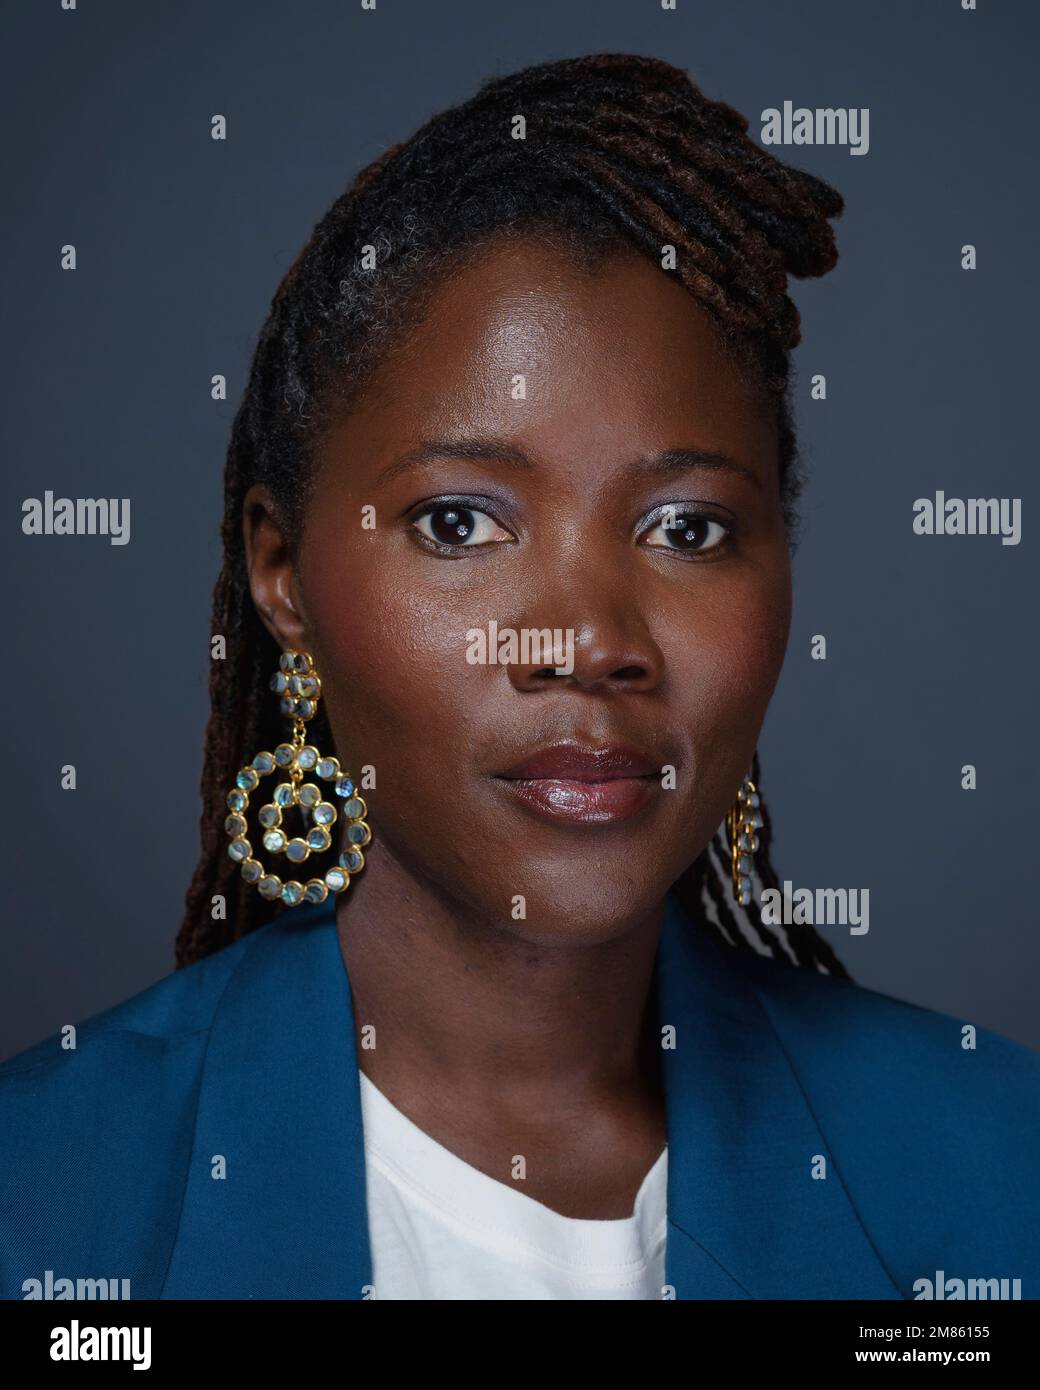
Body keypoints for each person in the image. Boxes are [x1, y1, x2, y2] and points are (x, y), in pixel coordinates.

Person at [2, 52, 1037, 1302]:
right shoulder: (45, 1202)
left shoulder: (997, 1172)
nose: (588, 638)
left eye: (686, 528)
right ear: (283, 577)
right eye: (457, 524)